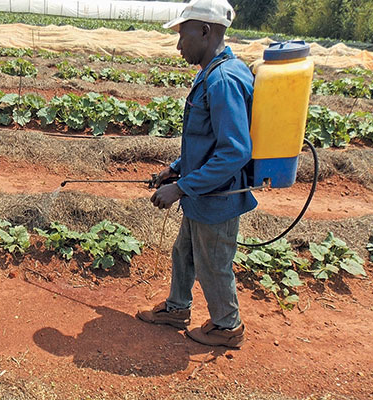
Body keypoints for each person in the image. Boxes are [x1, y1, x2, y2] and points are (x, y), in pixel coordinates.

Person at [136, 0, 256, 349]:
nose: (178, 46)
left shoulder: (223, 79)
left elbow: (233, 151)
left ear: (205, 31)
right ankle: (177, 308)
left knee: (213, 264)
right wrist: (174, 170)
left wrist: (182, 188)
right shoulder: (213, 72)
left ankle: (227, 326)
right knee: (184, 252)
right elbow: (206, 141)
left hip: (216, 197)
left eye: (182, 35)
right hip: (203, 193)